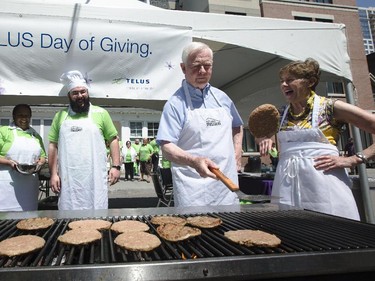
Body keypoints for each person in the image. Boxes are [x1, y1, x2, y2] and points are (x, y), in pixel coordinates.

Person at [256, 58, 375, 221]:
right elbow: (259, 131)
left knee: (332, 232)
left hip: (325, 185)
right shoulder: (280, 113)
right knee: (291, 235)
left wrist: (354, 159)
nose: (283, 85)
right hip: (286, 187)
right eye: (282, 81)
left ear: (310, 82)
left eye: (290, 80)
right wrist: (263, 138)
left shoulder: (331, 107)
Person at [157, 41, 244, 207]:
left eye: (207, 65)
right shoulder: (176, 104)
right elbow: (167, 147)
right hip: (193, 187)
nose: (202, 71)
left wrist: (237, 154)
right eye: (196, 66)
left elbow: (237, 126)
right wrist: (193, 161)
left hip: (226, 184)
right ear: (183, 68)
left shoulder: (223, 98)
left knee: (230, 231)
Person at [48, 70, 121, 210]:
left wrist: (116, 166)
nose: (80, 96)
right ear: (69, 95)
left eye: (83, 92)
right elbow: (53, 146)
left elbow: (113, 140)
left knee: (97, 215)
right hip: (69, 179)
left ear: (88, 92)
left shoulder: (101, 113)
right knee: (69, 216)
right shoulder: (60, 116)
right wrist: (53, 174)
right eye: (75, 93)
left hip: (95, 179)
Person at [0, 104, 46, 211]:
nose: (24, 119)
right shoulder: (4, 131)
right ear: (13, 116)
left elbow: (43, 156)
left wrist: (41, 162)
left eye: (27, 116)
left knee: (28, 219)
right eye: (20, 115)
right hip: (7, 184)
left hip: (30, 185)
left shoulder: (35, 135)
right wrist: (8, 162)